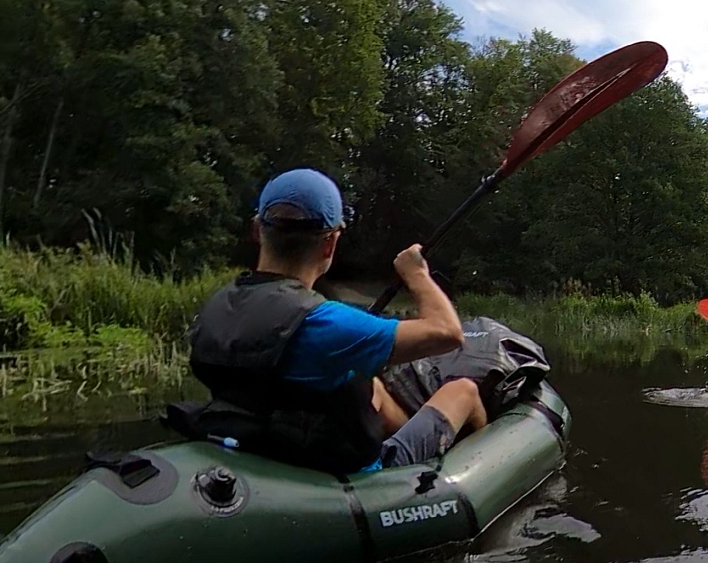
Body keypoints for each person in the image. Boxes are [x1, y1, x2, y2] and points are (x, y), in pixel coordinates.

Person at [185, 168, 485, 473]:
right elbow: (447, 332)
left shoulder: (218, 306)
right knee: (464, 391)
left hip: (267, 449)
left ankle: (412, 438)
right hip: (345, 475)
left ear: (256, 231)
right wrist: (416, 274)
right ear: (329, 244)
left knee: (370, 387)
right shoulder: (325, 324)